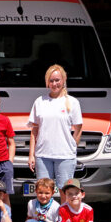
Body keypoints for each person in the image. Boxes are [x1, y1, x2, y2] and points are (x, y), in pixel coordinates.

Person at [28, 64, 83, 204]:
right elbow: (34, 130)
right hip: (43, 156)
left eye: (57, 80)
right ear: (47, 82)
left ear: (63, 80)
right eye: (51, 81)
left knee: (66, 192)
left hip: (65, 156)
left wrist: (72, 146)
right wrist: (31, 154)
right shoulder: (40, 102)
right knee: (43, 193)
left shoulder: (72, 102)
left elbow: (78, 127)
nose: (54, 84)